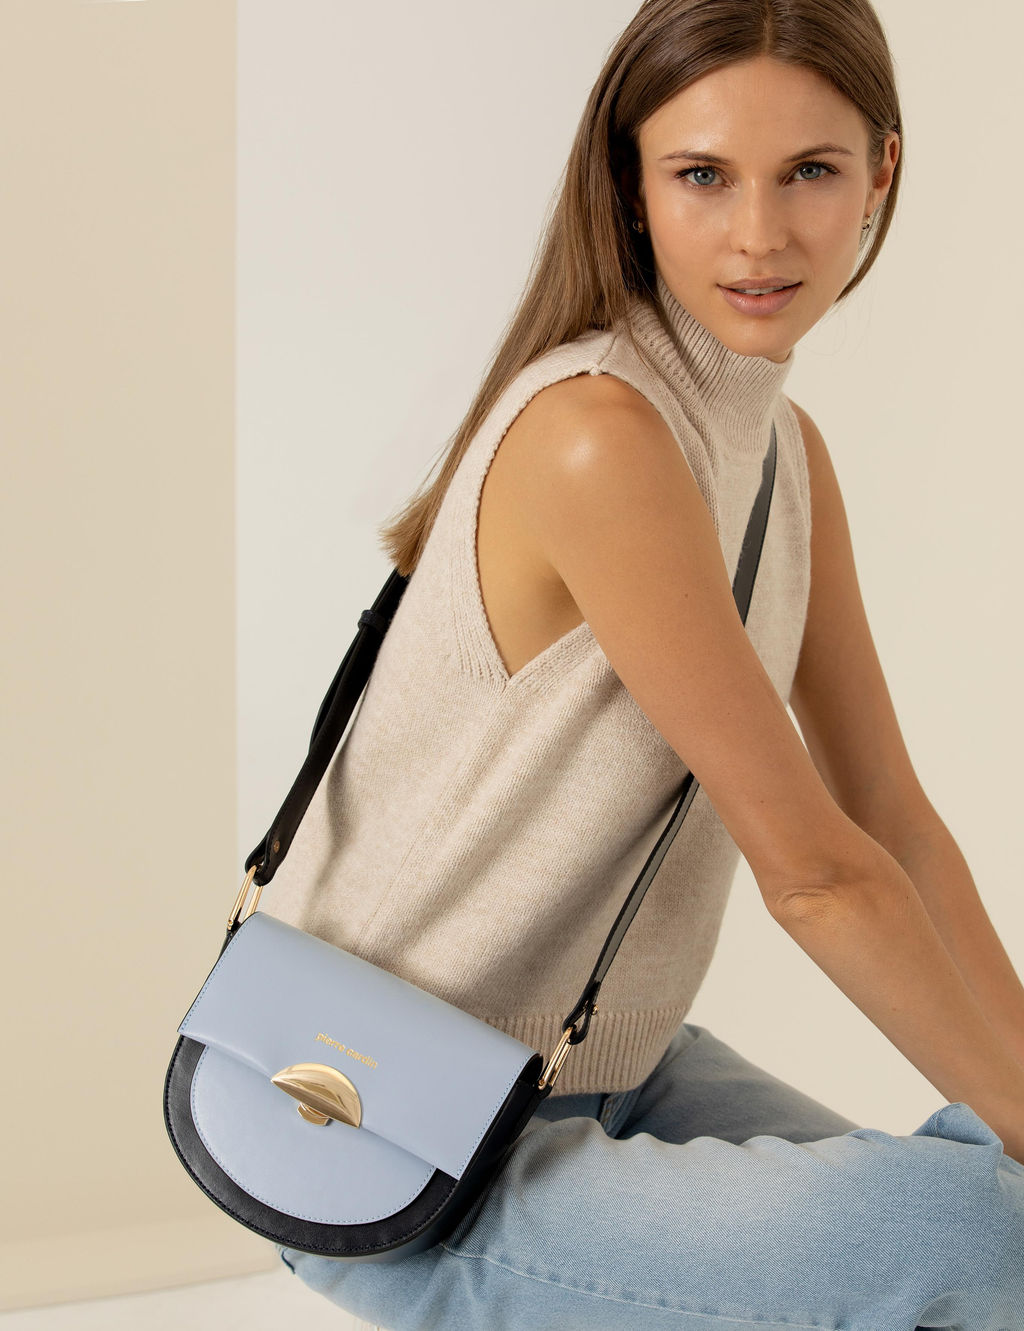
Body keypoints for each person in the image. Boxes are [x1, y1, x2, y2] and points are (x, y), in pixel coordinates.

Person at [268, 1, 1024, 1326]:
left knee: (992, 1211)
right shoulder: (598, 436)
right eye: (702, 175)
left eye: (810, 170)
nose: (759, 233)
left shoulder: (786, 460)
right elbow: (821, 876)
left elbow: (892, 821)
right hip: (385, 1132)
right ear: (630, 186)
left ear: (880, 175)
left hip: (612, 1074)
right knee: (982, 1234)